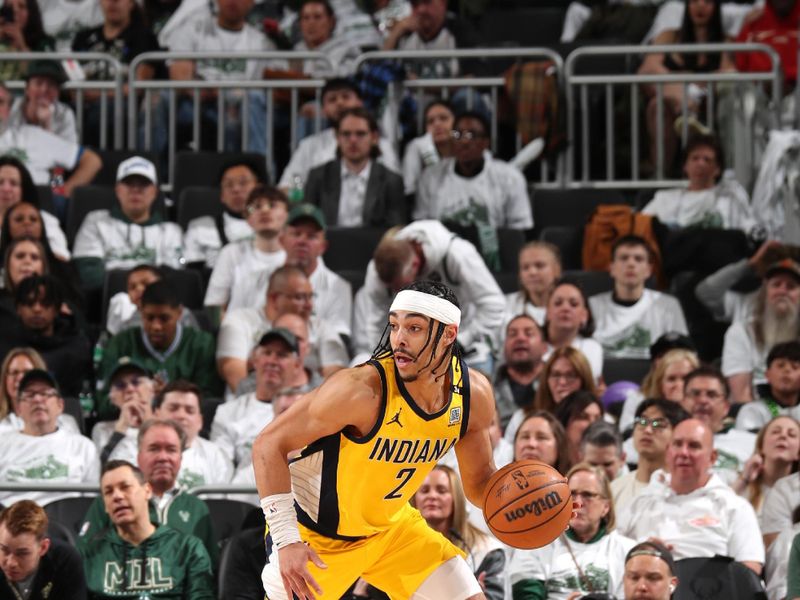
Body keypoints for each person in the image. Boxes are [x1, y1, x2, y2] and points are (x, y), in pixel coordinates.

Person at [252, 280, 516, 599]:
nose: (400, 339)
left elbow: (480, 484)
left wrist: (538, 505)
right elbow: (268, 444)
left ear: (449, 334)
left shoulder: (472, 394)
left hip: (393, 532)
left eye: (414, 328)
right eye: (394, 326)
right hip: (317, 536)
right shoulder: (360, 390)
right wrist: (287, 539)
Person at [617, 418, 764, 573]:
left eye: (694, 446)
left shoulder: (735, 507)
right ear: (668, 452)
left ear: (712, 457)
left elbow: (750, 570)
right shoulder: (642, 502)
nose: (683, 452)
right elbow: (612, 553)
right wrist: (645, 551)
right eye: (678, 444)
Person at [353, 220, 505, 369]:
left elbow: (493, 304)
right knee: (364, 369)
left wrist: (463, 341)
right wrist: (386, 356)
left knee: (478, 372)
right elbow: (378, 323)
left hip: (459, 338)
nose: (396, 291)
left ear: (415, 265)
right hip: (406, 346)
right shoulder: (378, 272)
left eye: (400, 286)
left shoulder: (457, 255)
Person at [78, 420, 217, 565]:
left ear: (180, 459)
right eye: (154, 449)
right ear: (138, 457)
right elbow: (85, 556)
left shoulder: (197, 508)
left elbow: (210, 568)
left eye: (171, 449)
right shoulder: (109, 501)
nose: (163, 457)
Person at [79, 460, 214, 599]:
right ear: (105, 505)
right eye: (108, 492)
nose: (117, 496)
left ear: (147, 491)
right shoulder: (89, 555)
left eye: (125, 487)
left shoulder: (187, 548)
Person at [509, 463, 635, 599]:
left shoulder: (627, 550)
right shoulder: (535, 544)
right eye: (571, 493)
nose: (579, 502)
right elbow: (526, 596)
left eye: (588, 495)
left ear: (606, 507)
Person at [216, 265, 349, 393]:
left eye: (310, 297)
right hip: (251, 406)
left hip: (305, 406)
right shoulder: (240, 321)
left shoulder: (322, 327)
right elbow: (235, 376)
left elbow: (335, 380)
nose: (309, 305)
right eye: (300, 297)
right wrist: (268, 403)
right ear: (274, 298)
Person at [637, 0, 735, 175]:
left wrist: (700, 83)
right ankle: (660, 175)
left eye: (707, 2)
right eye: (694, 1)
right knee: (657, 104)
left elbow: (728, 72)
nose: (700, 6)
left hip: (706, 101)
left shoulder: (725, 41)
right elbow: (649, 67)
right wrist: (681, 86)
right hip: (671, 99)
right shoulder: (669, 36)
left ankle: (691, 118)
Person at [98, 280, 223, 412]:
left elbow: (210, 401)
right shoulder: (121, 343)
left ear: (179, 313)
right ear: (140, 311)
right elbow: (103, 404)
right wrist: (139, 399)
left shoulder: (201, 344)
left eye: (164, 318)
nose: (156, 326)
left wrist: (171, 398)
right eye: (149, 318)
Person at [72, 156, 183, 291]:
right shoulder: (96, 222)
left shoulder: (171, 231)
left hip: (156, 303)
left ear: (154, 191)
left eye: (143, 184)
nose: (135, 190)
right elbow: (88, 273)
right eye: (129, 183)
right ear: (118, 189)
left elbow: (175, 275)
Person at [415, 111, 533, 230]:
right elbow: (421, 227)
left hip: (494, 247)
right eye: (457, 135)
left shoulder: (510, 178)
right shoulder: (431, 177)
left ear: (486, 142)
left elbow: (520, 229)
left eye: (472, 135)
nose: (464, 141)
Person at [277, 78, 400, 190]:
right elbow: (293, 182)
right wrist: (303, 195)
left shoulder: (381, 144)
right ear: (323, 109)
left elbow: (393, 187)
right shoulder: (309, 146)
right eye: (332, 99)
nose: (340, 103)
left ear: (360, 102)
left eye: (346, 97)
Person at [0, 369, 98, 507]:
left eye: (45, 393)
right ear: (18, 408)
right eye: (30, 394)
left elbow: (92, 502)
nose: (38, 399)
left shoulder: (83, 447)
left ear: (60, 405)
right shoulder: (2, 443)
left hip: (67, 523)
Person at [70, 0, 161, 147]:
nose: (113, 2)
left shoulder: (144, 37)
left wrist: (96, 94)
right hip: (83, 104)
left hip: (121, 107)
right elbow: (72, 83)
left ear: (132, 4)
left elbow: (137, 86)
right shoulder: (82, 38)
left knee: (107, 111)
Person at [211, 328, 296, 480]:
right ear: (255, 360)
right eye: (267, 353)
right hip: (241, 494)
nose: (272, 361)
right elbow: (220, 467)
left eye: (281, 355)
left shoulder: (304, 411)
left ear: (297, 365)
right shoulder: (228, 412)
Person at [411, 465, 506, 600]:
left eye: (441, 490)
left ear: (456, 497)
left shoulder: (486, 549)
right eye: (424, 490)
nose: (432, 496)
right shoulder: (401, 547)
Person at [304, 107, 406, 227]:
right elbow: (307, 223)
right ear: (337, 138)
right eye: (346, 134)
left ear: (374, 138)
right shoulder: (318, 176)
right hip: (329, 244)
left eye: (360, 134)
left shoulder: (392, 180)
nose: (353, 140)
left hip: (373, 245)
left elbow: (395, 229)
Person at [590, 235, 688, 359]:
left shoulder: (668, 306)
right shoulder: (592, 305)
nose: (631, 264)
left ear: (649, 270)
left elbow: (682, 355)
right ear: (612, 268)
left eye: (638, 259)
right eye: (624, 258)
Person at [721, 258, 800, 403]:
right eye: (776, 285)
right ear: (765, 292)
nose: (782, 291)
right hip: (754, 417)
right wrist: (775, 417)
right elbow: (742, 395)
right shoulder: (741, 333)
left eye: (791, 286)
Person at [641, 134, 755, 232]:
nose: (700, 164)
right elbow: (641, 224)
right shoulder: (664, 199)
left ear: (717, 169)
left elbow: (747, 227)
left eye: (707, 160)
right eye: (695, 158)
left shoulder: (730, 198)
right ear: (685, 166)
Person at [0, 83, 102, 192]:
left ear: (8, 110)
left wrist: (61, 194)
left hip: (35, 202)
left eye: (0, 102)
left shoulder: (32, 135)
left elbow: (92, 161)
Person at [203, 185, 288, 311]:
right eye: (257, 206)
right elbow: (214, 304)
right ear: (248, 219)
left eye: (272, 205)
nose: (264, 210)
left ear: (287, 215)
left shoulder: (297, 255)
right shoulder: (231, 253)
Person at [4, 274, 91, 396]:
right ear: (18, 309)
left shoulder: (76, 347)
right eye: (30, 303)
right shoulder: (5, 345)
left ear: (57, 309)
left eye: (45, 303)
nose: (37, 309)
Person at [280, 202, 353, 333]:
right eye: (296, 233)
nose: (302, 241)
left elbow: (337, 339)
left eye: (311, 236)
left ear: (323, 247)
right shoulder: (256, 280)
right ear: (282, 240)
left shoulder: (339, 287)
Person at [504, 347, 598, 446]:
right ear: (546, 380)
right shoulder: (522, 418)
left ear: (584, 381)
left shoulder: (597, 418)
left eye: (570, 375)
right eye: (556, 375)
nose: (562, 382)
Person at [183, 157, 265, 270]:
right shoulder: (198, 227)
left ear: (259, 189)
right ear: (222, 195)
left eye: (243, 183)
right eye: (229, 184)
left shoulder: (274, 226)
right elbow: (193, 275)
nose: (236, 189)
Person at [680, 366, 756, 482]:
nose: (702, 400)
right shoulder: (668, 442)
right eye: (695, 393)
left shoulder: (752, 443)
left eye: (711, 395)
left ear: (726, 406)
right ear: (683, 402)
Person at [0, 499, 87, 600]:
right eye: (4, 550)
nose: (11, 563)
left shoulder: (66, 561)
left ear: (43, 547)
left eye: (22, 553)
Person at [612, 399, 688, 512]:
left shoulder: (685, 494)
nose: (647, 430)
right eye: (643, 422)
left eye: (659, 424)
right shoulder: (614, 489)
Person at [153, 380, 232, 487]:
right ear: (156, 414)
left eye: (189, 411)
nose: (181, 415)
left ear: (200, 421)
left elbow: (222, 501)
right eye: (173, 408)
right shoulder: (133, 448)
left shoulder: (217, 456)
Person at [0, 156, 69, 259]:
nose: (6, 189)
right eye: (0, 183)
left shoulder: (46, 220)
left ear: (24, 189)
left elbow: (61, 259)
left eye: (13, 184)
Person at [618, 347, 699, 434]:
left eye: (685, 378)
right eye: (671, 379)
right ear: (660, 384)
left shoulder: (705, 412)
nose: (678, 385)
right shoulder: (643, 410)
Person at [0, 346, 79, 434]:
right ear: (5, 379)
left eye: (27, 372)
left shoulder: (66, 424)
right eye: (14, 372)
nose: (20, 378)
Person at [103, 264, 199, 336]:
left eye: (145, 283)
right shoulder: (126, 325)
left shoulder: (182, 314)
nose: (139, 289)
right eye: (132, 287)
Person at [733, 415, 800, 515]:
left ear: (798, 453)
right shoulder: (736, 480)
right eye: (775, 432)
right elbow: (715, 514)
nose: (783, 436)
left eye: (791, 435)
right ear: (761, 446)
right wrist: (743, 480)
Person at [91, 357, 154, 463]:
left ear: (151, 390)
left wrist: (150, 426)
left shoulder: (168, 427)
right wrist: (120, 429)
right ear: (112, 398)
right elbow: (101, 469)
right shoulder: (102, 429)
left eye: (136, 382)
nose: (129, 389)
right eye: (120, 385)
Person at [493, 314, 547, 431]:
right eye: (512, 334)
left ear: (544, 347)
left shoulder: (558, 384)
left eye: (529, 333)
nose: (520, 338)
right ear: (504, 346)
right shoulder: (487, 385)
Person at [544, 278, 604, 380]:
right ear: (548, 312)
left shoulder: (592, 348)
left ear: (584, 315)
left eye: (574, 304)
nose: (565, 308)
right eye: (558, 303)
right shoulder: (534, 344)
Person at [7, 59, 77, 143]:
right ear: (27, 89)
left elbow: (68, 152)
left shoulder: (64, 115)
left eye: (51, 84)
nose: (44, 90)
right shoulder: (9, 109)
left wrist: (46, 125)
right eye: (38, 83)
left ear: (57, 92)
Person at [736, 341, 800, 432]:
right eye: (780, 366)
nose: (787, 370)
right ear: (767, 375)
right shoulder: (753, 412)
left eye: (795, 367)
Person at [292, 0, 362, 77]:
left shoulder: (347, 51)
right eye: (306, 18)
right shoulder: (295, 52)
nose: (311, 23)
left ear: (331, 21)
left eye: (317, 17)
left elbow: (347, 77)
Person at [503, 241, 562, 329]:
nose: (532, 272)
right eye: (525, 267)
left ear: (557, 270)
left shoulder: (572, 305)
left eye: (540, 266)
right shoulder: (505, 305)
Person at [402, 99, 455, 196]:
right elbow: (409, 189)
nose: (437, 124)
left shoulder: (465, 142)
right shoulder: (419, 146)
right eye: (430, 121)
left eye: (443, 118)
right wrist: (427, 150)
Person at [0, 0, 54, 80]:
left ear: (31, 12)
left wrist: (22, 46)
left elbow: (42, 78)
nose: (15, 11)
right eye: (10, 7)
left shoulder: (43, 43)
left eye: (21, 6)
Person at [513, 410, 572, 476]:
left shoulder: (575, 484)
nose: (531, 444)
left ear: (559, 446)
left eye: (541, 437)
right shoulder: (501, 484)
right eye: (525, 437)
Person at [555, 390, 604, 466]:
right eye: (583, 417)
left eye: (598, 419)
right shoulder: (548, 466)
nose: (593, 424)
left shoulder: (610, 464)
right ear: (564, 422)